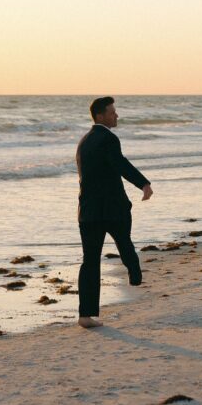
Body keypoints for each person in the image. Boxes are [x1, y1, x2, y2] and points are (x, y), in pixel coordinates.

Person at [76, 97, 153, 328]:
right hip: (111, 208)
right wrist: (144, 184)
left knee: (90, 262)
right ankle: (135, 274)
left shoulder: (84, 141)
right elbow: (120, 164)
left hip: (88, 211)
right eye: (112, 112)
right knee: (125, 242)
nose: (116, 116)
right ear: (100, 116)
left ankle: (85, 315)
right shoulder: (108, 138)